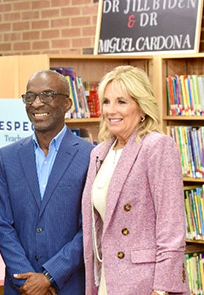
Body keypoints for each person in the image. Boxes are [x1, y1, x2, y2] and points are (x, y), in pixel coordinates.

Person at [81, 65, 190, 295]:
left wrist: (162, 289)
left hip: (146, 283)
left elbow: (171, 227)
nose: (112, 110)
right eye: (107, 102)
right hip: (107, 280)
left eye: (122, 102)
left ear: (142, 108)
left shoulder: (157, 147)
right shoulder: (99, 153)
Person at [0, 69, 94, 295]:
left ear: (67, 103)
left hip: (69, 286)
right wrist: (26, 280)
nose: (37, 104)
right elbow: (1, 224)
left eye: (47, 95)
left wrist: (50, 276)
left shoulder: (91, 156)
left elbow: (89, 227)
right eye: (30, 97)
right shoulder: (7, 157)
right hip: (21, 288)